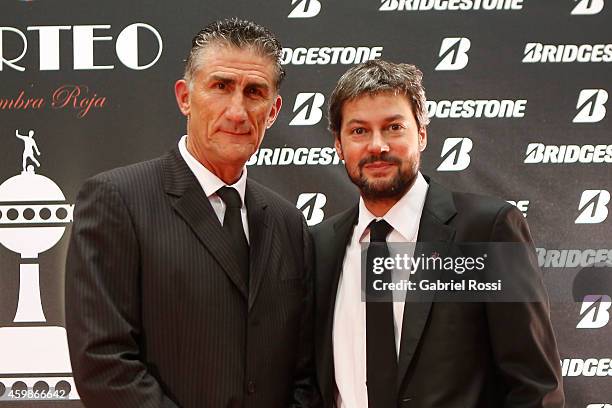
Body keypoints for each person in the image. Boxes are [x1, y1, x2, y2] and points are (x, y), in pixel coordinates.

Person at [66, 18, 318, 408]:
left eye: (254, 92)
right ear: (185, 96)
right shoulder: (117, 199)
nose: (237, 111)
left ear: (273, 110)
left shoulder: (289, 222)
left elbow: (305, 372)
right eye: (221, 86)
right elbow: (105, 365)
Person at [311, 60, 565, 407]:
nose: (377, 146)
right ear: (338, 145)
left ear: (422, 134)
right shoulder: (318, 245)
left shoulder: (486, 231)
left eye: (394, 127)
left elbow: (536, 387)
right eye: (358, 131)